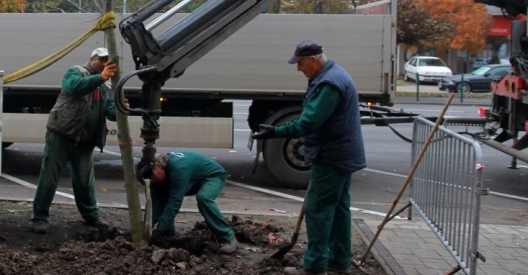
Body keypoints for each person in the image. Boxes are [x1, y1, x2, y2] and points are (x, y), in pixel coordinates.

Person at [251, 40, 366, 275]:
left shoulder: (329, 84)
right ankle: (339, 261)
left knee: (318, 209)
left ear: (313, 60)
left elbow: (308, 122)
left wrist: (275, 132)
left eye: (301, 63)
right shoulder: (333, 75)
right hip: (343, 153)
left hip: (332, 156)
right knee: (339, 208)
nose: (298, 69)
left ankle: (315, 266)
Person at [30, 47, 118, 233]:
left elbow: (110, 112)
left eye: (106, 61)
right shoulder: (76, 72)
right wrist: (101, 77)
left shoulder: (106, 86)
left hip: (85, 141)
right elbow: (74, 88)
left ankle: (91, 216)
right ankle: (39, 218)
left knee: (85, 182)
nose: (103, 64)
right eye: (100, 59)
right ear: (92, 59)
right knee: (49, 178)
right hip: (62, 134)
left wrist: (120, 109)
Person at [140, 151, 239, 254]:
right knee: (162, 192)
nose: (153, 181)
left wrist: (159, 230)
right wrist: (146, 229)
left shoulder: (179, 169)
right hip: (193, 178)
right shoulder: (157, 174)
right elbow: (153, 202)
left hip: (213, 176)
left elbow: (175, 202)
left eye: (153, 177)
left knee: (203, 198)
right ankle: (167, 232)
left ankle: (228, 237)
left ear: (158, 166)